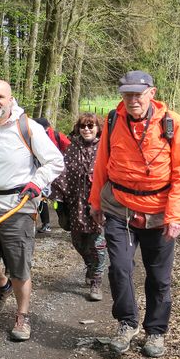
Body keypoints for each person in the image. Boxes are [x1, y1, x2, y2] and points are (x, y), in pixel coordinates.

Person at [89, 71, 180, 358]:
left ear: (151, 93)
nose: (133, 99)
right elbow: (102, 163)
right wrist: (95, 201)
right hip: (119, 207)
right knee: (120, 268)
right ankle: (127, 322)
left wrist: (176, 215)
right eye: (127, 94)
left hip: (159, 212)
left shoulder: (172, 122)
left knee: (159, 277)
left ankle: (156, 331)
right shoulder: (113, 120)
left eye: (138, 93)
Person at [0, 80, 64, 341]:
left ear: (11, 100)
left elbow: (55, 161)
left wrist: (37, 183)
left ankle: (22, 316)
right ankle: (2, 286)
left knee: (19, 265)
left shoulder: (28, 128)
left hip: (18, 207)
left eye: (0, 96)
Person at [51, 113, 108, 301]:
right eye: (83, 126)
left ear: (98, 128)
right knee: (79, 243)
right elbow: (62, 172)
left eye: (91, 126)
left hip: (99, 205)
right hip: (76, 204)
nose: (87, 130)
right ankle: (90, 266)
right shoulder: (72, 148)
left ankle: (96, 282)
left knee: (98, 245)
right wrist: (57, 196)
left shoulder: (104, 147)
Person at [33, 118, 70, 233]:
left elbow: (70, 148)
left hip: (59, 172)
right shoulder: (33, 136)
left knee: (60, 198)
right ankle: (46, 223)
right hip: (41, 170)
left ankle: (67, 219)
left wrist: (64, 162)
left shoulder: (57, 135)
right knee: (42, 196)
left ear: (47, 127)